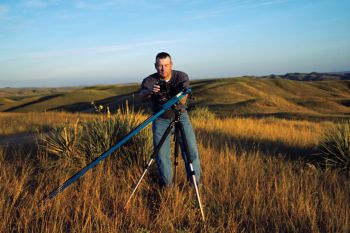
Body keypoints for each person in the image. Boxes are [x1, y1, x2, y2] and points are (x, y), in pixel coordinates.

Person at [140, 52, 201, 187]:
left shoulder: (181, 76)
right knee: (162, 155)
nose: (163, 68)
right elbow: (142, 96)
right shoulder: (150, 80)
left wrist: (178, 93)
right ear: (155, 66)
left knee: (191, 151)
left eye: (166, 65)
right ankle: (167, 187)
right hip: (160, 119)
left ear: (171, 64)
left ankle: (195, 185)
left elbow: (184, 98)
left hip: (181, 116)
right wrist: (150, 91)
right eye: (160, 65)